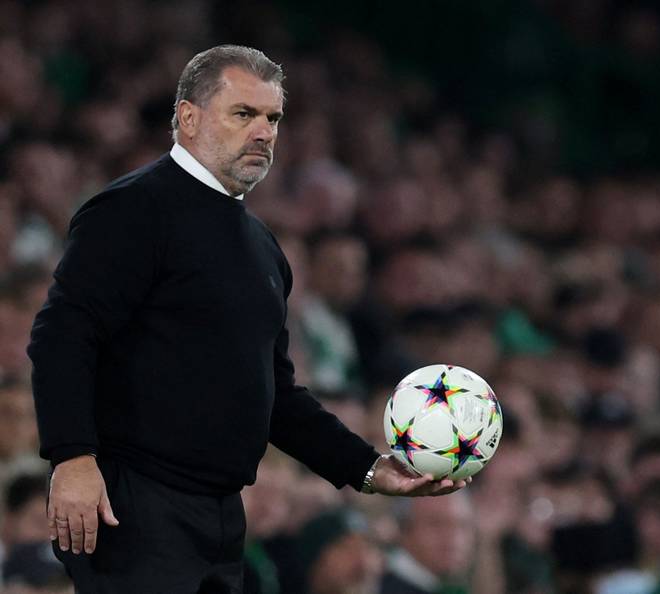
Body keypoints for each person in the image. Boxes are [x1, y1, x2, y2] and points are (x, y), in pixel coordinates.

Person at [26, 44, 467, 594]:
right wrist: (71, 457)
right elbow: (63, 334)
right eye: (244, 114)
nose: (263, 132)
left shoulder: (262, 248)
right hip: (134, 506)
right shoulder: (133, 209)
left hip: (221, 518)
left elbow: (276, 395)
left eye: (272, 118)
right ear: (188, 118)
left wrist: (367, 468)